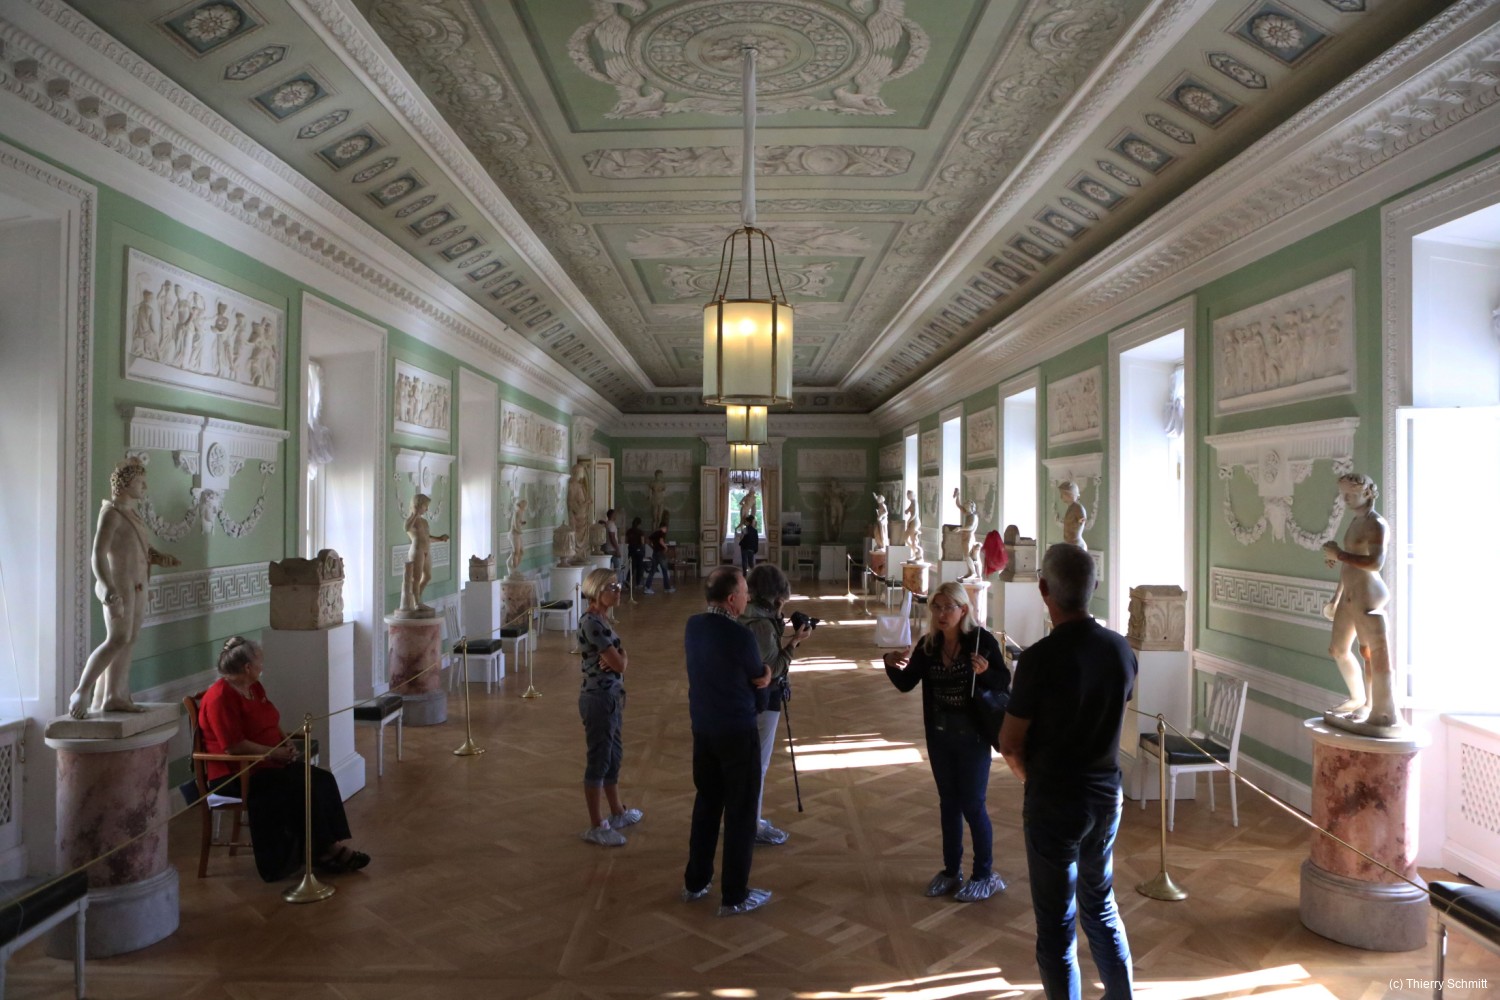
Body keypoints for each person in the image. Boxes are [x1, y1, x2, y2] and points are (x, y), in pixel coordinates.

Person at [1000, 544, 1135, 1000]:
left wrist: (1032, 780)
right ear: (1094, 586)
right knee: (1101, 907)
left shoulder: (1038, 659)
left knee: (1057, 929)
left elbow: (1010, 743)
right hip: (1106, 796)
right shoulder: (1120, 649)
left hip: (1055, 800)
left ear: (1043, 589)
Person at [198, 636, 370, 881]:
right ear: (247, 667)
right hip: (237, 773)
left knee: (322, 779)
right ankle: (325, 851)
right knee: (298, 787)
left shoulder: (254, 687)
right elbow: (234, 747)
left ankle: (324, 846)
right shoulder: (220, 698)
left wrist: (284, 741)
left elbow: (270, 719)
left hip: (266, 764)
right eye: (260, 662)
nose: (262, 666)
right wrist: (272, 752)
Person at [884, 581, 1009, 902]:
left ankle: (984, 874)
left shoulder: (980, 641)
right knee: (948, 804)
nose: (941, 614)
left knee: (973, 805)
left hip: (973, 737)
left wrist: (985, 673)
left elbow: (1003, 681)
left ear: (963, 610)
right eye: (936, 607)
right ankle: (951, 870)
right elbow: (906, 683)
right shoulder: (929, 645)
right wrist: (889, 662)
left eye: (948, 607)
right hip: (940, 737)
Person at [682, 567, 773, 916]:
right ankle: (735, 895)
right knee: (741, 812)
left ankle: (696, 882)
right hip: (737, 731)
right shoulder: (740, 635)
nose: (748, 597)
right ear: (732, 599)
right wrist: (766, 681)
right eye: (745, 591)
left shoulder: (693, 626)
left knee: (707, 804)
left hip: (703, 729)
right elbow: (758, 681)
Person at [69, 460, 181, 719]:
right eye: (141, 482)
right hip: (119, 589)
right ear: (126, 484)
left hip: (138, 587)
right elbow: (98, 554)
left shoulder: (132, 514)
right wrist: (108, 587)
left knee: (128, 640)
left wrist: (158, 557)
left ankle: (113, 695)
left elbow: (138, 549)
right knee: (117, 638)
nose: (145, 487)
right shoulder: (111, 513)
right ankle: (81, 691)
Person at [738, 564, 812, 846]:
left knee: (748, 761)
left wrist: (778, 618)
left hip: (744, 696)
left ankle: (744, 818)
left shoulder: (747, 612)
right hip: (764, 698)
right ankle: (752, 825)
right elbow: (773, 668)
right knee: (759, 763)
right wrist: (794, 643)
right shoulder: (761, 624)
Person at [1320, 473, 1399, 732]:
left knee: (1369, 653)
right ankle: (1357, 698)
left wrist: (1340, 555)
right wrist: (1336, 596)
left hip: (1367, 594)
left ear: (1366, 493)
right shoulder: (1356, 521)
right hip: (1349, 594)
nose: (1345, 499)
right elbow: (1349, 564)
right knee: (1337, 649)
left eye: (1351, 494)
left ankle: (1372, 705)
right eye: (1343, 494)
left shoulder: (1377, 525)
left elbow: (1376, 563)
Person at [576, 568, 642, 846]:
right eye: (611, 587)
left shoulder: (603, 619)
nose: (618, 591)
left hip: (611, 697)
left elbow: (617, 659)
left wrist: (620, 655)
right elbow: (619, 664)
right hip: (598, 698)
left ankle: (616, 811)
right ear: (596, 590)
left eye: (618, 585)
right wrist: (622, 657)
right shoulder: (591, 622)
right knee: (599, 759)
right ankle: (596, 824)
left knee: (613, 756)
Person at [400, 493, 448, 615]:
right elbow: (406, 528)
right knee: (416, 578)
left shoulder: (424, 521)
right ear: (418, 505)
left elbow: (427, 537)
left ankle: (417, 599)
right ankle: (417, 603)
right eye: (425, 506)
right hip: (417, 551)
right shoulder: (410, 521)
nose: (426, 509)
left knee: (427, 576)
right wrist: (415, 514)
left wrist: (440, 538)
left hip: (427, 550)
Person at [644, 513, 675, 595]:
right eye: (666, 528)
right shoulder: (661, 533)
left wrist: (652, 547)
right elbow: (661, 541)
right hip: (660, 553)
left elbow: (647, 540)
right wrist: (666, 547)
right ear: (663, 527)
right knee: (664, 570)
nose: (666, 530)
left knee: (652, 570)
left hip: (655, 553)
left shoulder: (655, 533)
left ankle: (647, 587)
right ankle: (667, 588)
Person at [954, 489, 981, 580]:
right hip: (965, 536)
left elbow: (970, 527)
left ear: (972, 507)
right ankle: (970, 572)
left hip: (969, 537)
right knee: (966, 556)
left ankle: (973, 573)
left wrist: (960, 529)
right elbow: (958, 505)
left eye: (967, 506)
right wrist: (957, 495)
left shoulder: (973, 516)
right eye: (965, 506)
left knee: (967, 555)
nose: (965, 508)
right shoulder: (968, 514)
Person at [1059, 481, 1087, 548]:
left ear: (1070, 494)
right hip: (1070, 544)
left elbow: (1082, 521)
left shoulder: (1078, 508)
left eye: (1063, 494)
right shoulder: (1071, 507)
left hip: (1077, 545)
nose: (1061, 497)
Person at [506, 498, 527, 581]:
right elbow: (515, 524)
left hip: (517, 534)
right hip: (514, 534)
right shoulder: (518, 512)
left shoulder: (520, 512)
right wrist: (519, 530)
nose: (526, 507)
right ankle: (513, 570)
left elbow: (518, 522)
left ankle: (514, 568)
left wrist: (521, 523)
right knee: (516, 552)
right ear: (522, 505)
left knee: (521, 552)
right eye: (525, 505)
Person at [624, 516, 646, 588]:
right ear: (639, 524)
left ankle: (628, 580)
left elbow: (626, 541)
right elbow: (642, 542)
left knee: (632, 566)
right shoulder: (640, 532)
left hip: (631, 549)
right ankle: (638, 583)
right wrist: (643, 550)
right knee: (639, 567)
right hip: (639, 550)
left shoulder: (629, 531)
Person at [903, 488, 924, 563]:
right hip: (911, 522)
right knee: (905, 538)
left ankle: (917, 554)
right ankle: (914, 551)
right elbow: (908, 510)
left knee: (913, 540)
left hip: (915, 522)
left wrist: (908, 521)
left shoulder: (915, 502)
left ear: (913, 495)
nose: (908, 496)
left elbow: (914, 515)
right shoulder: (912, 502)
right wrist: (906, 511)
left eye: (909, 495)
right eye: (907, 495)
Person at [603, 508, 622, 576]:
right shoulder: (611, 524)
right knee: (617, 568)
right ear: (612, 515)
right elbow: (612, 538)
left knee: (608, 568)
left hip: (607, 548)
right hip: (612, 549)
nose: (616, 516)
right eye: (615, 514)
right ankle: (617, 581)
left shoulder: (607, 524)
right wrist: (617, 549)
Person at [647, 470, 667, 534]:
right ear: (655, 475)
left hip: (661, 500)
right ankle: (653, 532)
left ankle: (658, 533)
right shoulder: (652, 483)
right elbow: (650, 492)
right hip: (654, 500)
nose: (660, 477)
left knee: (659, 518)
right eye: (659, 475)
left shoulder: (663, 484)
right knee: (654, 518)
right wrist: (650, 497)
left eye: (661, 475)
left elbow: (664, 493)